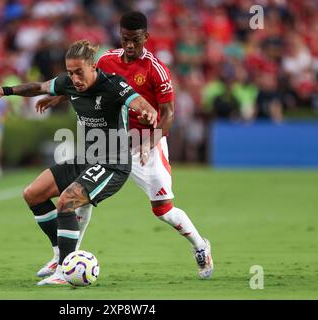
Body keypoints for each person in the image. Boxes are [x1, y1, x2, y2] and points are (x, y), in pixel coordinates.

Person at [37, 12, 213, 279]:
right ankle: (64, 260)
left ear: (146, 37)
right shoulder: (107, 60)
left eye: (136, 40)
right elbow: (86, 84)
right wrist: (57, 97)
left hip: (147, 146)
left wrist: (151, 141)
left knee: (163, 210)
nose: (130, 45)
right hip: (109, 143)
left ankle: (201, 246)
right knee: (80, 199)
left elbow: (167, 114)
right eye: (125, 39)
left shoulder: (156, 69)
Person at [0, 40, 158, 285]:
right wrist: (4, 91)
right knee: (33, 193)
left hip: (113, 164)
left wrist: (148, 111)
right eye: (70, 72)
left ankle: (64, 269)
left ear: (93, 67)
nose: (74, 78)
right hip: (86, 159)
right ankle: (59, 253)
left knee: (67, 201)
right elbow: (38, 87)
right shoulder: (68, 83)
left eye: (78, 72)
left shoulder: (115, 85)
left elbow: (140, 103)